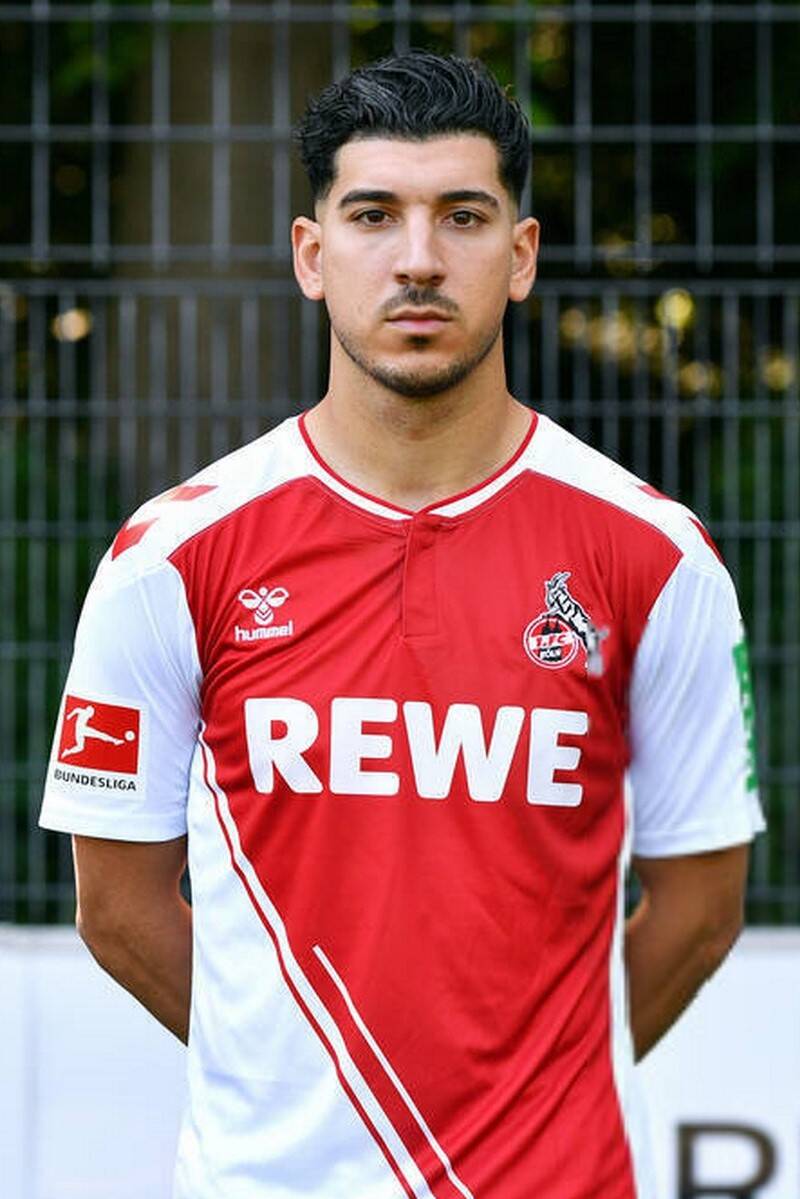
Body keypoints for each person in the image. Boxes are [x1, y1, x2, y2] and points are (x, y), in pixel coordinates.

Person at [40, 50, 764, 1199]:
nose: (418, 259)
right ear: (310, 255)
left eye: (461, 216)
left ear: (520, 256)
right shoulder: (170, 556)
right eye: (373, 214)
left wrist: (529, 1100)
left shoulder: (654, 556)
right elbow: (117, 905)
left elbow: (699, 905)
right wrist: (299, 1080)